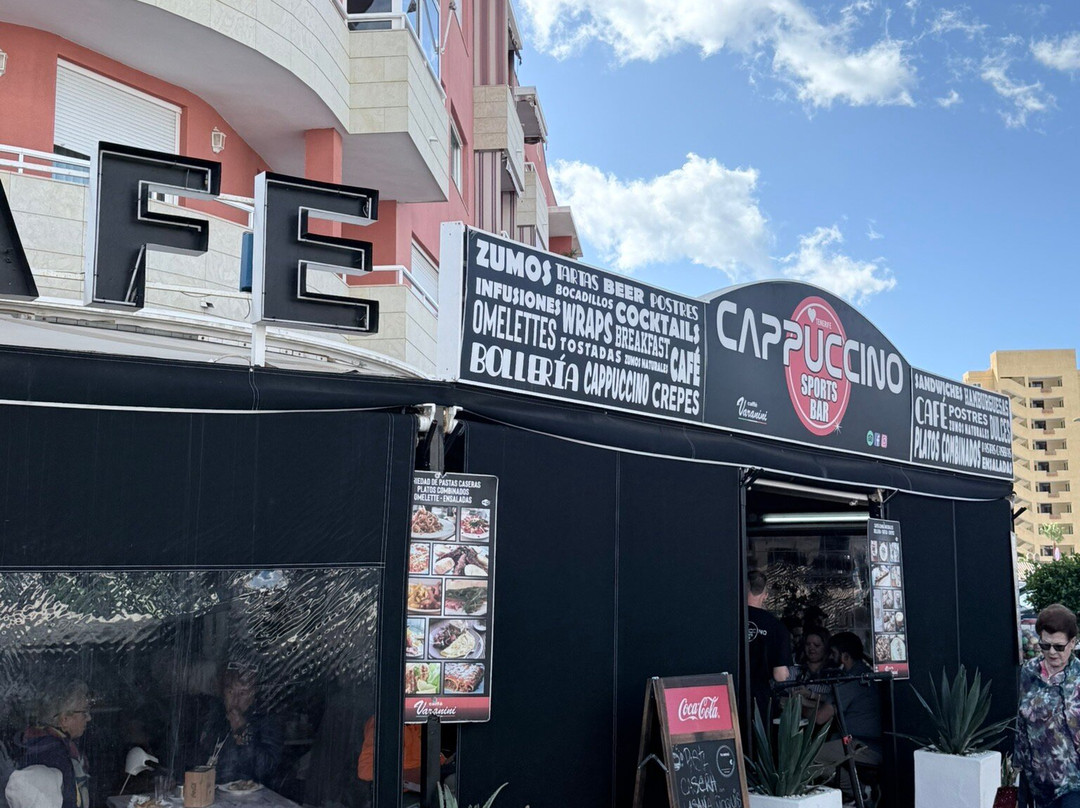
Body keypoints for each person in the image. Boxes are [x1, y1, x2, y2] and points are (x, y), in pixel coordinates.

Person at [1016, 603, 1080, 808]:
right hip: (1040, 782)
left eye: (1059, 647)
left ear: (1073, 642)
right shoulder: (1029, 672)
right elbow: (1022, 723)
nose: (1052, 652)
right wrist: (1018, 769)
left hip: (1074, 783)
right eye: (1045, 645)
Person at [813, 633, 882, 795]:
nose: (830, 657)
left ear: (844, 656)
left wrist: (796, 706)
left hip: (863, 746)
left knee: (808, 757)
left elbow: (820, 718)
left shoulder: (851, 680)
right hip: (871, 743)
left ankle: (858, 792)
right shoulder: (865, 674)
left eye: (833, 653)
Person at [197, 665, 282, 785]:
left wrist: (243, 731)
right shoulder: (215, 717)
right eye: (230, 692)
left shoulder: (265, 721)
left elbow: (265, 770)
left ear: (253, 696)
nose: (235, 700)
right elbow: (197, 757)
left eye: (243, 693)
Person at [17, 681, 91, 808]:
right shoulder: (55, 755)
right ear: (64, 719)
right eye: (84, 712)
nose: (89, 718)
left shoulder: (42, 742)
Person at [746, 570, 792, 722]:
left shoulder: (730, 619)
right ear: (765, 594)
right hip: (759, 699)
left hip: (728, 692)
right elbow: (780, 675)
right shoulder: (776, 627)